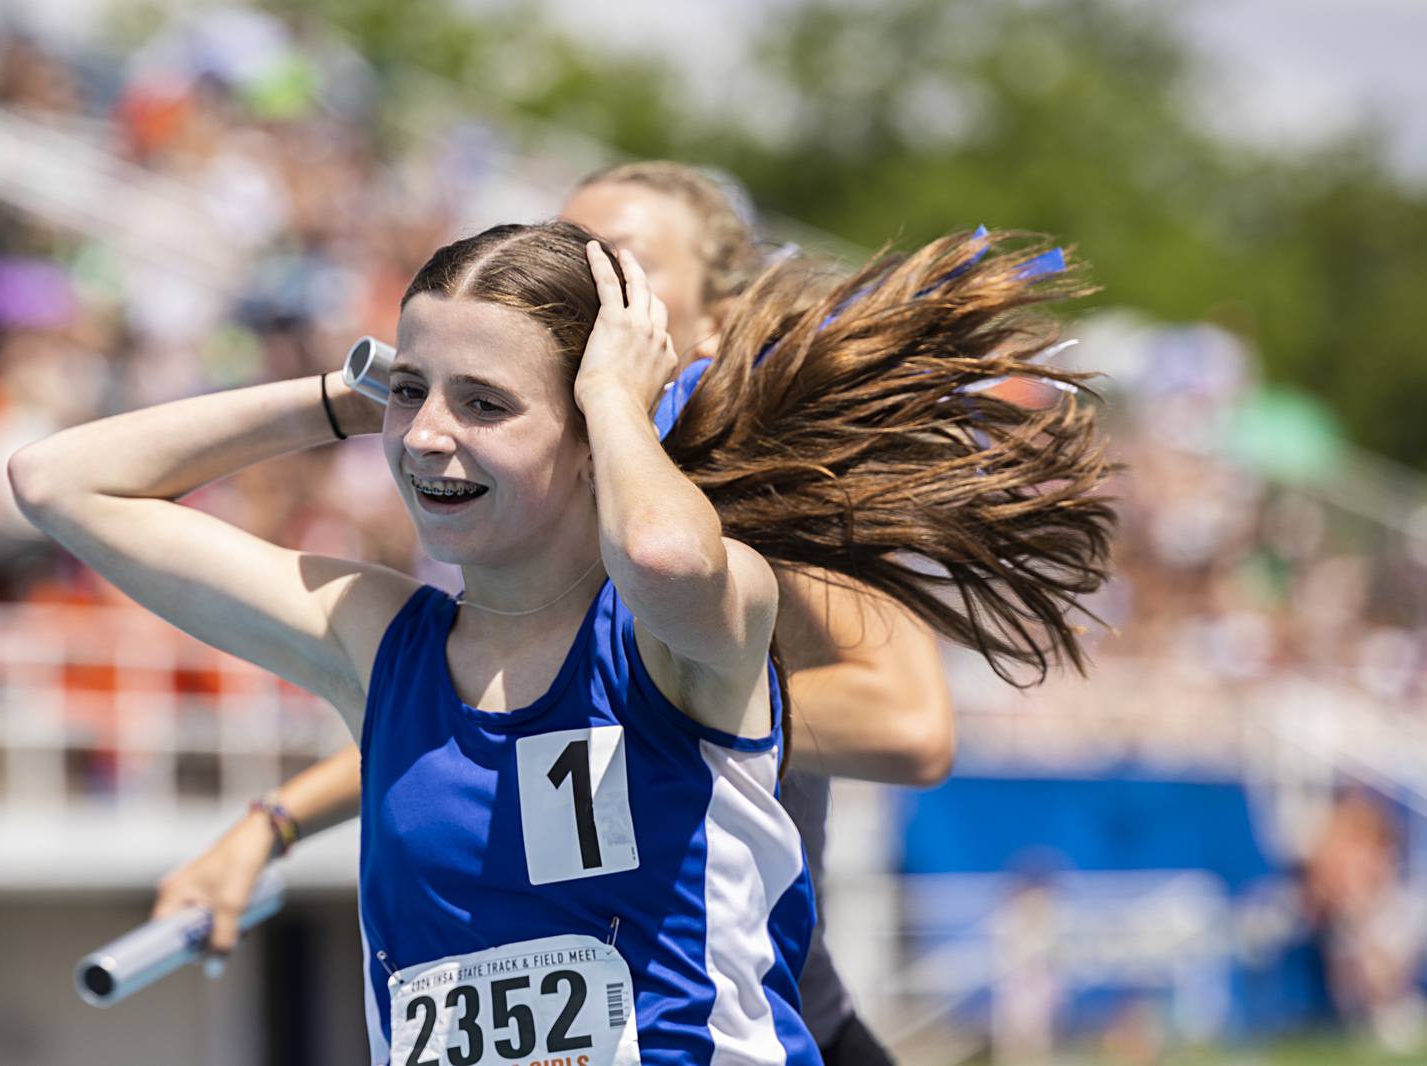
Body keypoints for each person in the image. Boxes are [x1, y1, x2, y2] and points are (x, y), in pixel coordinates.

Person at [9, 215, 1113, 1063]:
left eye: (485, 404)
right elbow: (59, 482)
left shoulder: (684, 626)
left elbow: (665, 553)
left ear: (590, 431)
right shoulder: (378, 639)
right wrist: (345, 394)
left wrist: (621, 402)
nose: (427, 436)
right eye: (413, 393)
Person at [152, 162, 955, 1064]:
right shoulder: (513, 486)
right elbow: (485, 722)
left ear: (714, 321)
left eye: (620, 265)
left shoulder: (774, 507)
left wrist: (671, 710)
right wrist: (277, 819)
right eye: (566, 249)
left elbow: (909, 726)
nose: (583, 286)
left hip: (775, 1007)